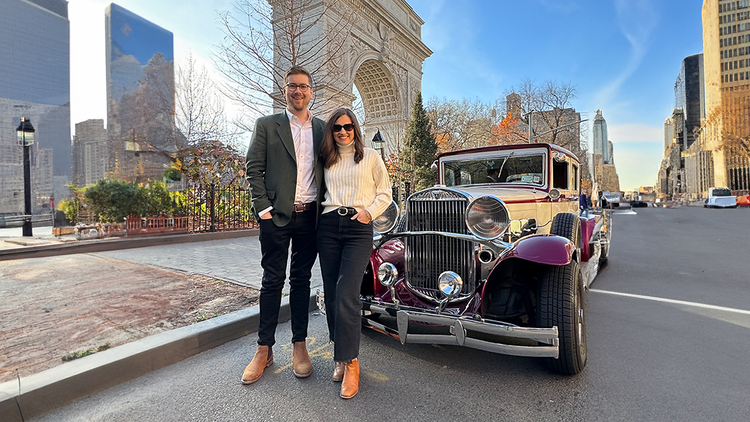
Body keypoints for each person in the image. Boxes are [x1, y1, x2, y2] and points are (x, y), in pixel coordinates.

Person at [242, 66, 325, 385]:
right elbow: (253, 167)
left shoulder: (321, 128)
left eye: (304, 87)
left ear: (311, 92)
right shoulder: (266, 125)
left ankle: (299, 345)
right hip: (275, 216)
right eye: (293, 86)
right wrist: (262, 207)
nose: (298, 91)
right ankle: (264, 349)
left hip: (310, 216)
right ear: (285, 90)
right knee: (272, 280)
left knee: (301, 280)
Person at [317, 108, 392, 399]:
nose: (343, 132)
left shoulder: (371, 157)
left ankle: (351, 362)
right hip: (327, 225)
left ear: (355, 129)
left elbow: (385, 193)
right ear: (331, 131)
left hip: (358, 227)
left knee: (347, 292)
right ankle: (339, 355)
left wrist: (368, 214)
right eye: (337, 128)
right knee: (332, 293)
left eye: (348, 127)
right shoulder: (327, 158)